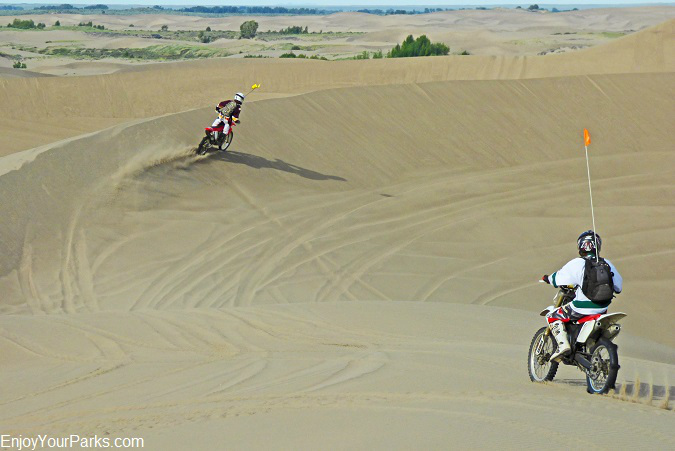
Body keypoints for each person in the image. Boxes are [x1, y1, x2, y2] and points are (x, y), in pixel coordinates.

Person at [541, 230, 623, 361]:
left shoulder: (577, 263)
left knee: (552, 316)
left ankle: (563, 346)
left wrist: (548, 278)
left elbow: (557, 279)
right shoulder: (607, 263)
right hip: (602, 309)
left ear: (580, 246)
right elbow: (619, 287)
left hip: (581, 308)